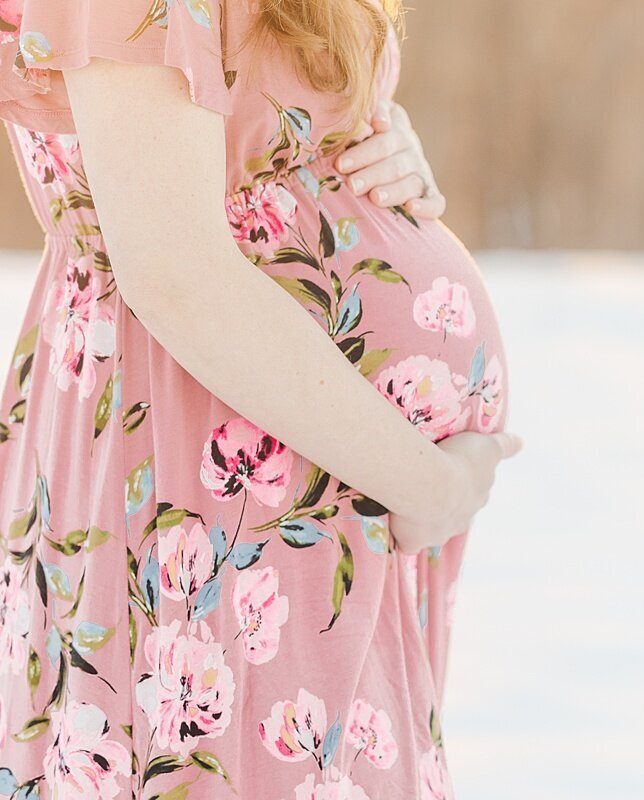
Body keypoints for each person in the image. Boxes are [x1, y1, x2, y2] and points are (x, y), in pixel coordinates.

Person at [0, 0, 523, 796]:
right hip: (202, 477)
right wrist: (430, 484)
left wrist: (369, 138)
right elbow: (175, 273)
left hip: (318, 496)